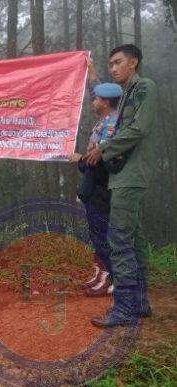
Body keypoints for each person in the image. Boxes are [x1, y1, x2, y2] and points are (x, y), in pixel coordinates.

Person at [83, 44, 157, 327]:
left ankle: (124, 308)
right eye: (111, 64)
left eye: (118, 62)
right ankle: (139, 303)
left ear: (133, 62)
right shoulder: (125, 94)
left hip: (131, 175)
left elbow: (139, 128)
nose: (113, 68)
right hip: (123, 175)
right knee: (133, 240)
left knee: (119, 240)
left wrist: (103, 149)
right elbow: (105, 99)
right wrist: (93, 75)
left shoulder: (144, 87)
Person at [70, 76, 123, 297]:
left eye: (96, 98)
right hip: (94, 187)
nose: (93, 101)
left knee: (101, 236)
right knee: (96, 234)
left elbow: (98, 162)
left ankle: (115, 279)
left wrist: (79, 160)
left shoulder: (110, 126)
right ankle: (102, 274)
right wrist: (91, 73)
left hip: (101, 188)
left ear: (106, 102)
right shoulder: (105, 120)